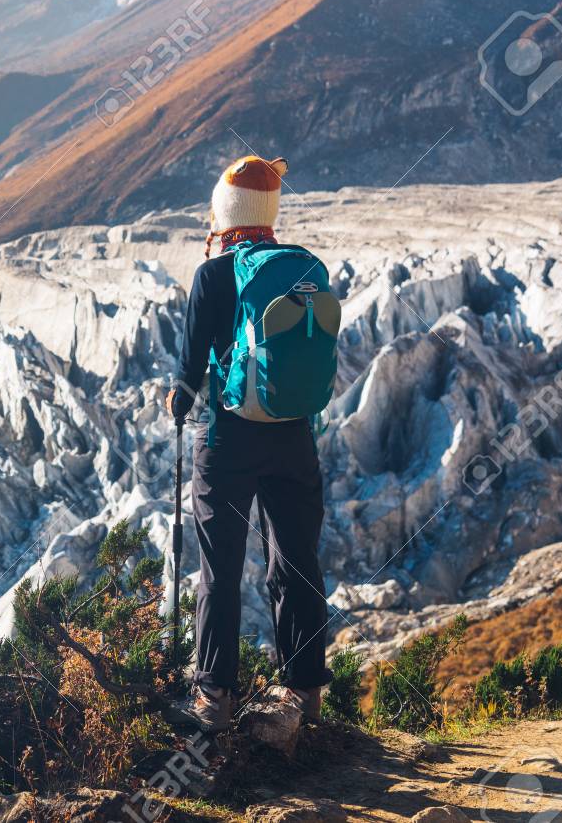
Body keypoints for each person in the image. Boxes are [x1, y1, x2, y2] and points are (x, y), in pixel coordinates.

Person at [165, 155, 334, 733]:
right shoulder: (305, 267)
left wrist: (178, 403)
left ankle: (215, 698)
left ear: (224, 210)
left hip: (228, 439)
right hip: (293, 438)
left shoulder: (213, 274)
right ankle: (305, 693)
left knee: (222, 566)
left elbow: (190, 368)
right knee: (296, 562)